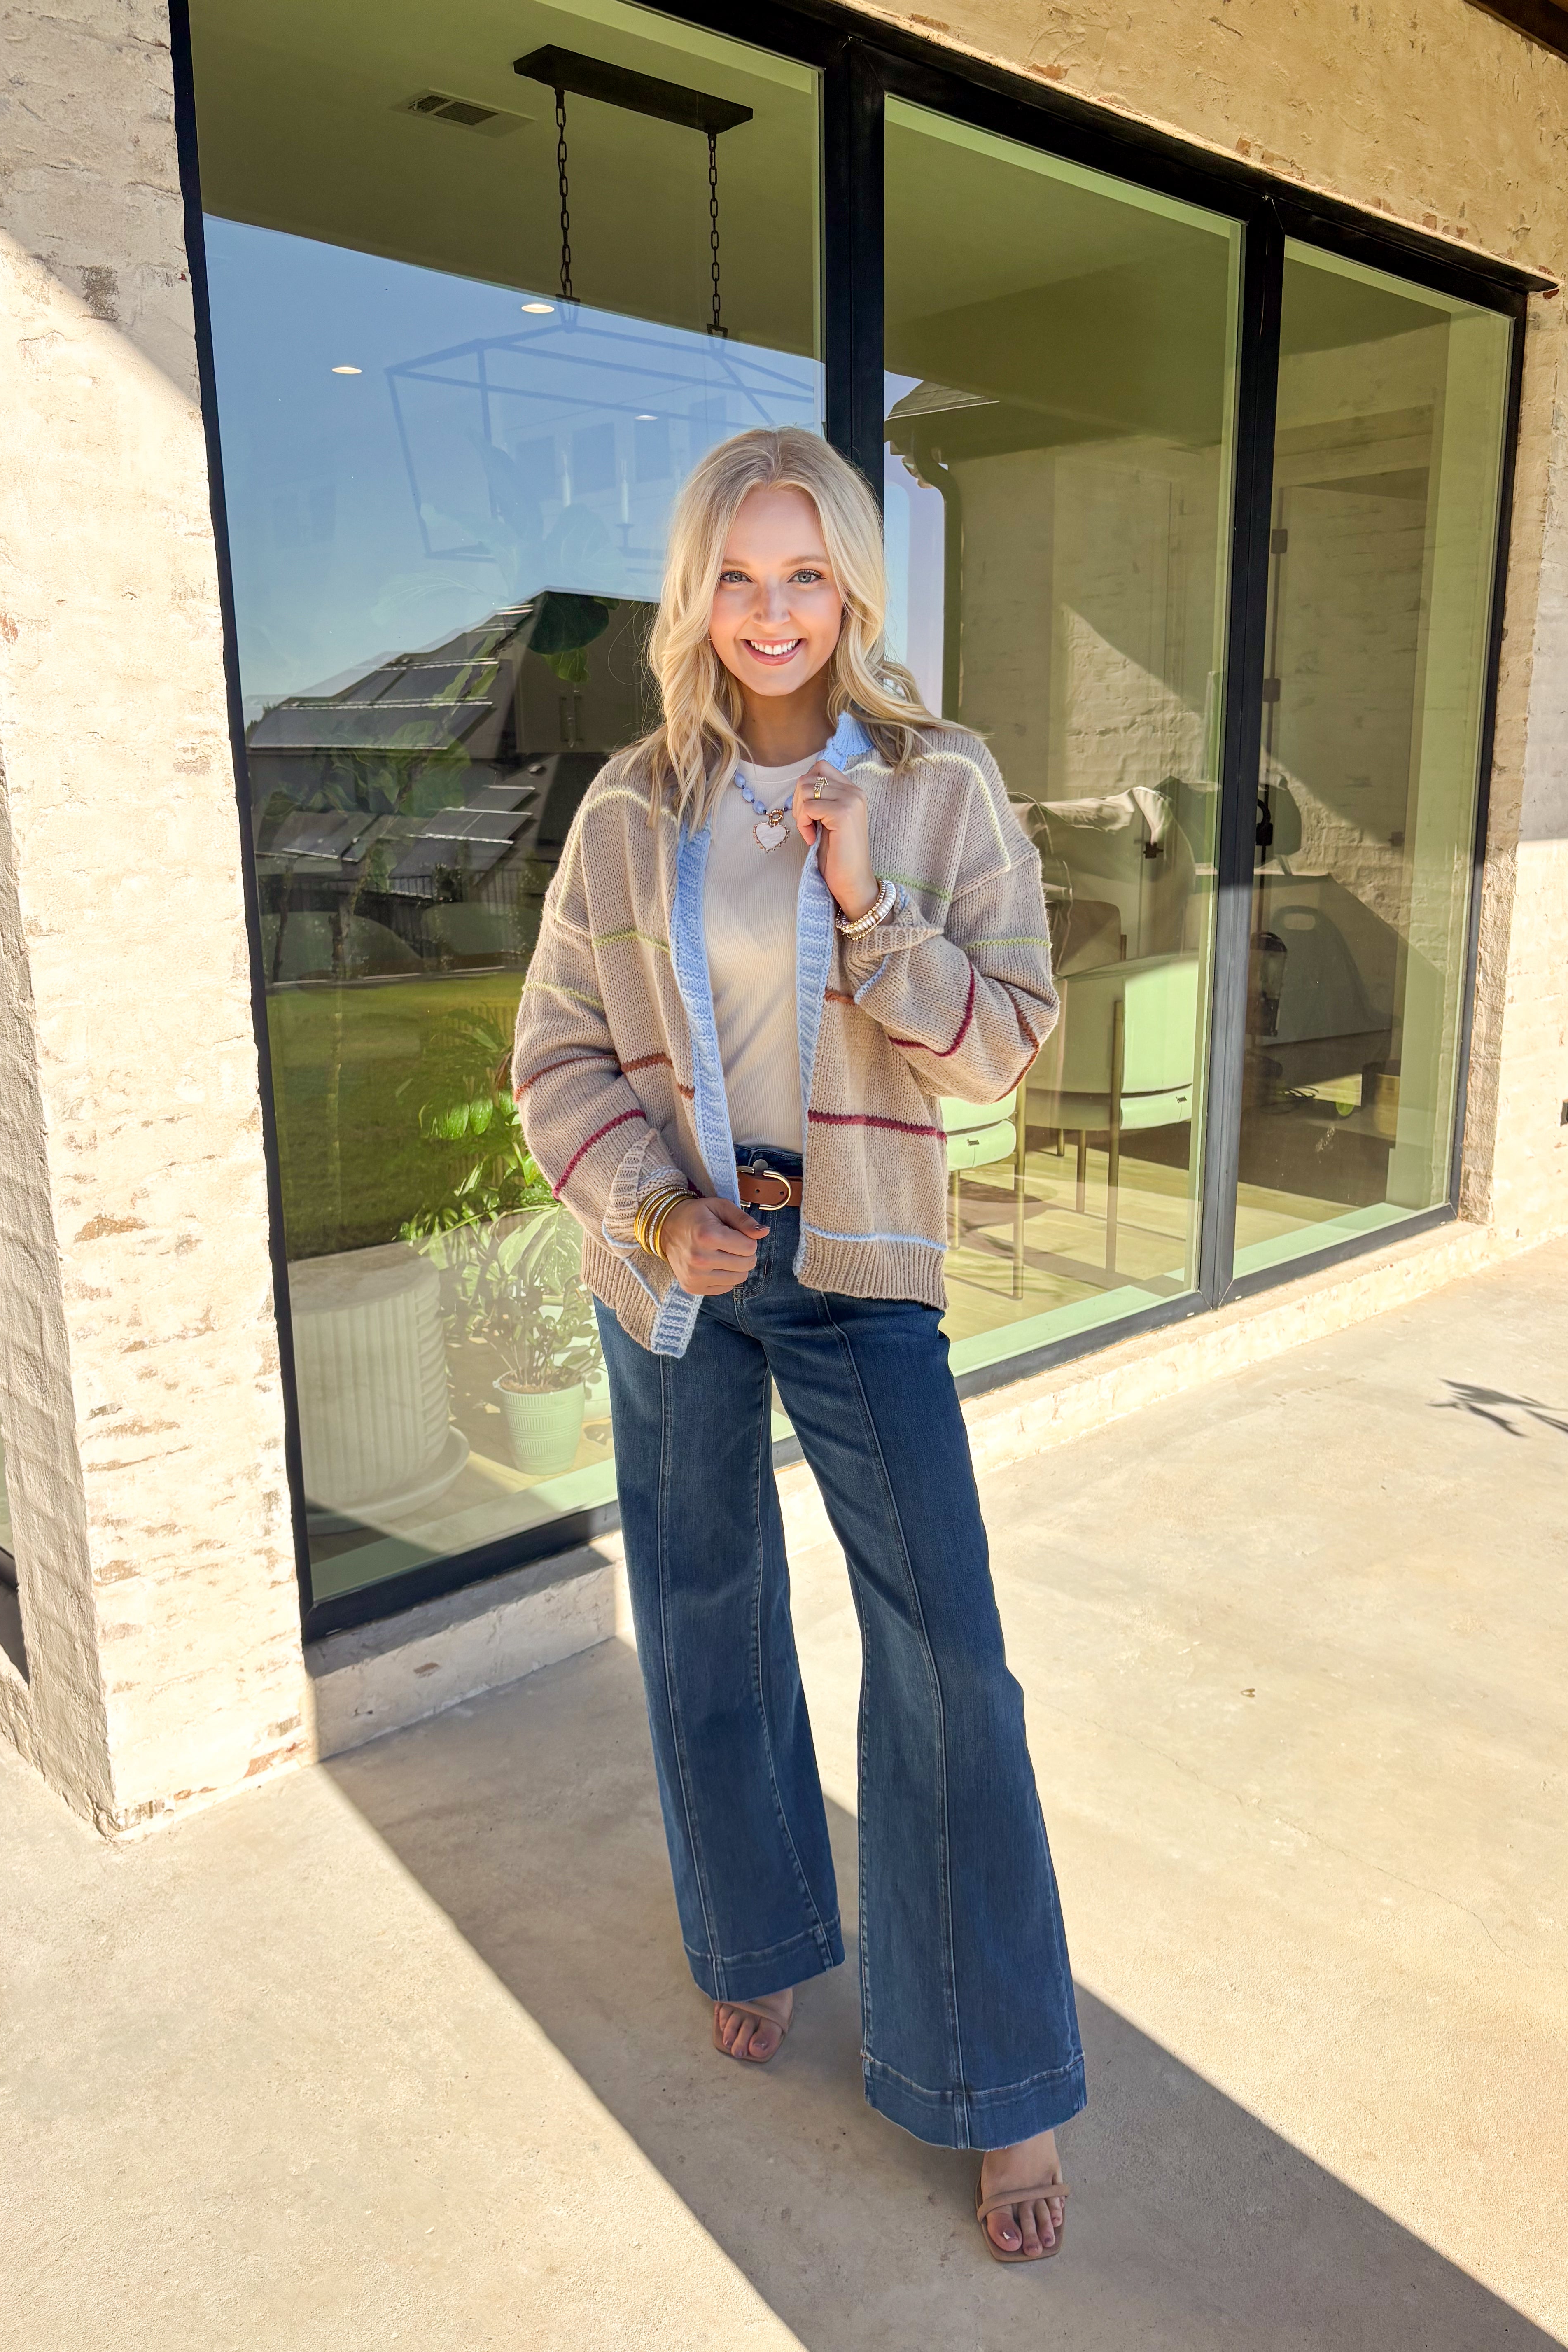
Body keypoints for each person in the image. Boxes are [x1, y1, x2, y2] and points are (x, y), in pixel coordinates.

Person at [511, 426, 1083, 2263]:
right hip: (684, 1265)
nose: (773, 615)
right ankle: (752, 1935)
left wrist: (866, 906)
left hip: (861, 1268)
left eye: (807, 576)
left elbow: (1001, 1046)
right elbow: (555, 1061)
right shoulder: (625, 810)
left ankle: (991, 2078)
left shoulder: (937, 786)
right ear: (699, 594)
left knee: (950, 1662)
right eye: (739, 579)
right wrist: (653, 1211)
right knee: (701, 1616)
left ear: (852, 591)